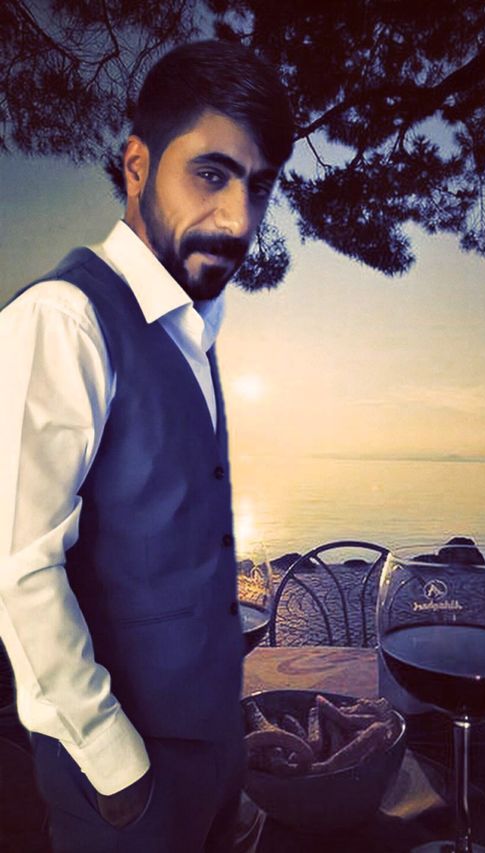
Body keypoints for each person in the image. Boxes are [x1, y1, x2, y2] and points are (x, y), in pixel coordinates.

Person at [0, 39, 294, 852]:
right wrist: (119, 769)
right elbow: (19, 569)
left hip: (213, 755)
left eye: (258, 186)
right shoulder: (62, 319)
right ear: (137, 167)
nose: (239, 220)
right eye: (211, 173)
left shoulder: (193, 328)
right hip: (124, 785)